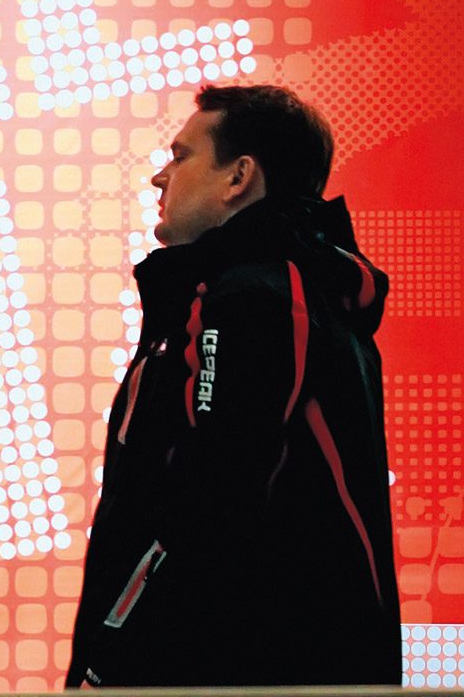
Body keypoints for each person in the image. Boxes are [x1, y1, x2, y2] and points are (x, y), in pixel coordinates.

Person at [67, 85, 401, 686]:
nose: (160, 178)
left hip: (237, 675)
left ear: (238, 177)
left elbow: (209, 507)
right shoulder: (244, 294)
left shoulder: (260, 298)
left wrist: (107, 663)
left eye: (181, 156)